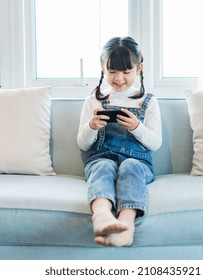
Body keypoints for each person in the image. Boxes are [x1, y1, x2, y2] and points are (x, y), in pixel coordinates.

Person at [77, 37, 162, 247]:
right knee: (103, 167)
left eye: (126, 71)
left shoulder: (148, 101)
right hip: (101, 158)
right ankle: (102, 215)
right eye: (112, 71)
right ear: (102, 68)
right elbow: (82, 144)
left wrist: (136, 127)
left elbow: (156, 143)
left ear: (139, 68)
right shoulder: (94, 101)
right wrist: (92, 127)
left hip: (138, 162)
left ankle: (126, 225)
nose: (119, 78)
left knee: (130, 166)